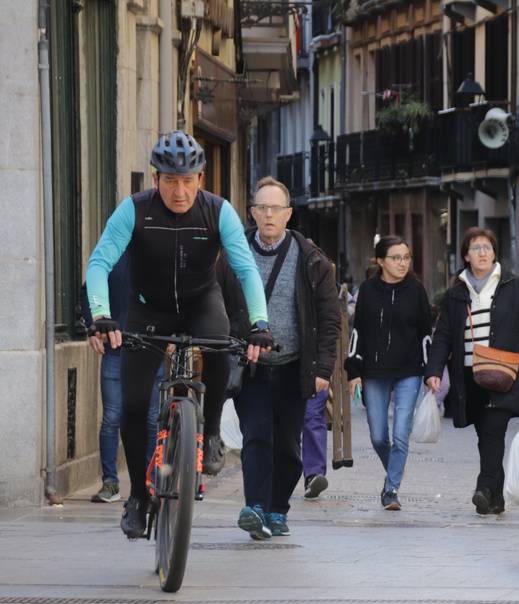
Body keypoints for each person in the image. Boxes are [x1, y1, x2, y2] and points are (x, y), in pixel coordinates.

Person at [86, 131, 272, 540]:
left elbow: (245, 272)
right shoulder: (133, 210)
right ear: (156, 179)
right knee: (134, 406)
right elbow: (99, 263)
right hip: (148, 308)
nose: (179, 190)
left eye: (188, 181)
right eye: (170, 180)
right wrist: (101, 314)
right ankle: (138, 496)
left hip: (201, 302)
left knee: (221, 350)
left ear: (201, 179)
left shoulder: (218, 212)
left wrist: (260, 322)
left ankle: (207, 431)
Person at [218, 176, 339, 538]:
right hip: (250, 366)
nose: (269, 215)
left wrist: (322, 367)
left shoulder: (311, 260)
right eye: (262, 208)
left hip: (293, 367)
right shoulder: (233, 257)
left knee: (287, 446)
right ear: (253, 213)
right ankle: (255, 506)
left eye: (276, 209)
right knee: (256, 436)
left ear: (289, 214)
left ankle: (277, 509)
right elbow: (218, 304)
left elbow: (329, 318)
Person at [426, 227, 519, 517]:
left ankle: (484, 489)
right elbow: (443, 335)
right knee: (486, 436)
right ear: (466, 255)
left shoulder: (514, 286)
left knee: (493, 431)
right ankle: (496, 498)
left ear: (494, 253)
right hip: (469, 378)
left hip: (504, 374)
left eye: (487, 247)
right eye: (476, 248)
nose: (482, 252)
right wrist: (434, 370)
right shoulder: (456, 294)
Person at [346, 236, 432, 511]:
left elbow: (425, 335)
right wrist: (353, 371)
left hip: (409, 370)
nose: (402, 263)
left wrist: (430, 371)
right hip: (374, 370)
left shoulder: (417, 291)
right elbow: (357, 332)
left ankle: (391, 489)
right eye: (396, 258)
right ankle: (395, 466)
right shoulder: (368, 291)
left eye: (406, 257)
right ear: (380, 261)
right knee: (379, 436)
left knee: (401, 434)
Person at [81, 253, 162, 503]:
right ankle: (110, 483)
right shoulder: (108, 257)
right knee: (112, 418)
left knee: (150, 418)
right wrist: (91, 327)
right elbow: (88, 293)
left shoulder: (159, 252)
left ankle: (150, 481)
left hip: (152, 349)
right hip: (116, 349)